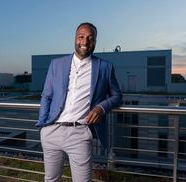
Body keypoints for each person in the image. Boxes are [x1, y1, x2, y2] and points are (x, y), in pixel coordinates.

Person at [36, 22, 122, 182]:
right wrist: (43, 126)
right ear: (74, 38)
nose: (85, 42)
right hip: (52, 131)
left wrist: (101, 108)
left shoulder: (105, 67)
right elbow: (46, 96)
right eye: (81, 37)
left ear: (95, 41)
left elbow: (117, 96)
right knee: (51, 180)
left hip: (80, 133)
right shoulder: (56, 64)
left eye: (90, 38)